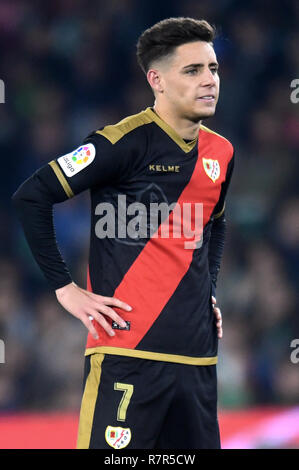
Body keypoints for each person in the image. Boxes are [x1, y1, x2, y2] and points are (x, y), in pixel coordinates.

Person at [12, 17, 234, 449]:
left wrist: (207, 287)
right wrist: (64, 288)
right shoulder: (121, 143)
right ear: (158, 80)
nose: (209, 81)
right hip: (126, 355)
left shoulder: (221, 152)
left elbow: (216, 222)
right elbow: (31, 196)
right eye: (193, 70)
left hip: (198, 361)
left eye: (214, 69)